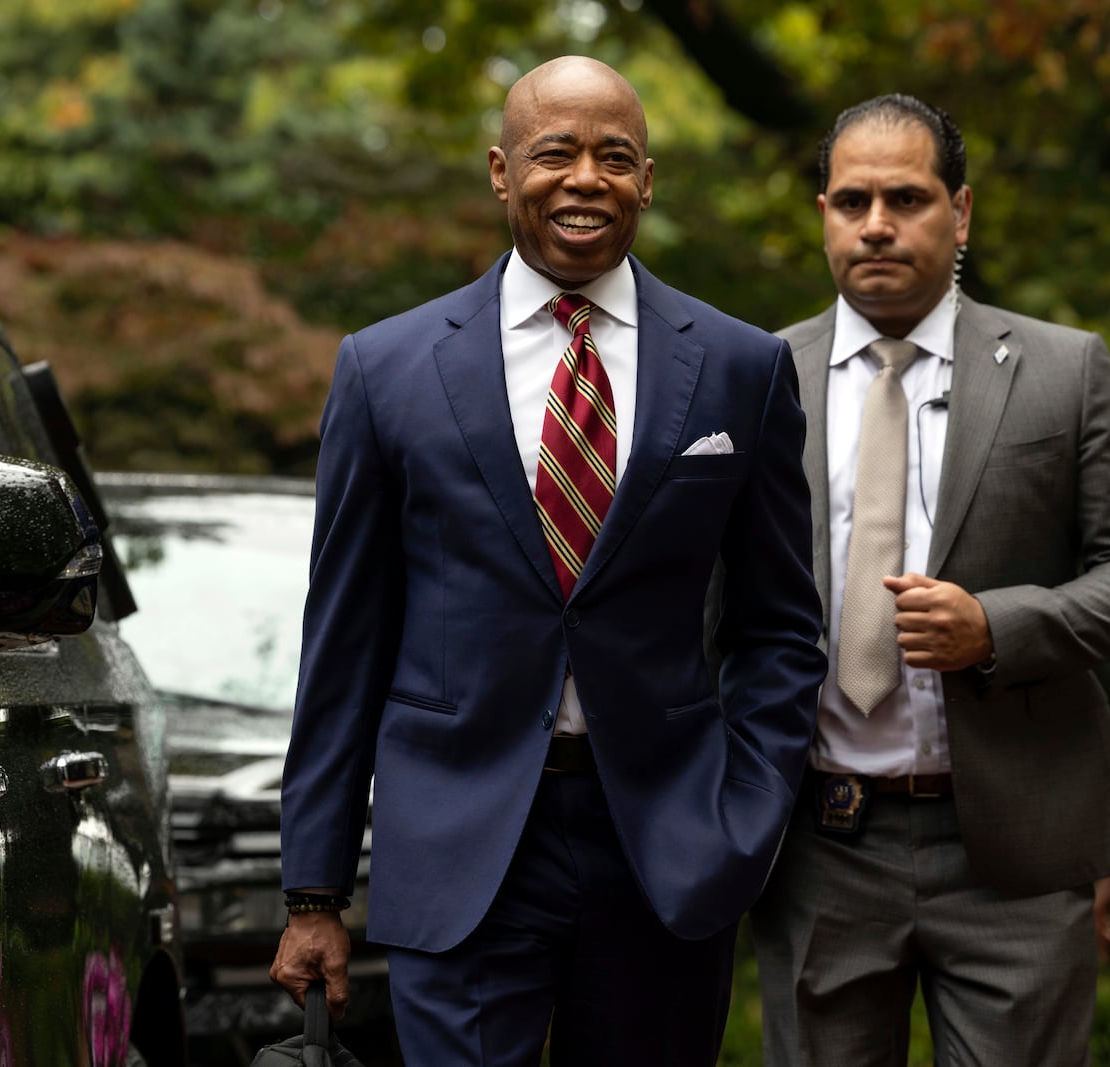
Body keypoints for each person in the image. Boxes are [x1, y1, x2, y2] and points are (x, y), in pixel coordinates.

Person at [268, 56, 827, 1067]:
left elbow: (779, 623)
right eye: (553, 152)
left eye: (614, 156)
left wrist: (745, 815)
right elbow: (344, 640)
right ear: (499, 170)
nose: (585, 178)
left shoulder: (742, 367)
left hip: (668, 841)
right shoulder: (385, 369)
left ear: (647, 179)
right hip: (457, 842)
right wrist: (313, 889)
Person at [749, 93, 1110, 1065]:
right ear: (820, 210)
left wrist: (997, 626)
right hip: (819, 842)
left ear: (962, 212)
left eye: (905, 197)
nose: (875, 224)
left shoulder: (1062, 370)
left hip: (1018, 850)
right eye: (850, 199)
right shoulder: (754, 377)